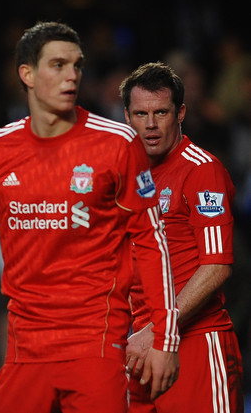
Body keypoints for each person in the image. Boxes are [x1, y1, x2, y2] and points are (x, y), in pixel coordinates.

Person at [0, 21, 180, 413]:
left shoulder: (117, 144)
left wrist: (165, 340)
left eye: (77, 66)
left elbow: (152, 243)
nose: (72, 76)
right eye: (59, 65)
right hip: (23, 348)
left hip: (94, 347)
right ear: (27, 74)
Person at [120, 62, 244, 413]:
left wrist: (158, 328)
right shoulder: (128, 175)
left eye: (161, 112)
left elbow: (217, 266)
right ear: (127, 116)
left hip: (197, 344)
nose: (151, 124)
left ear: (181, 113)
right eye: (141, 114)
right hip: (141, 345)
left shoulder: (201, 170)